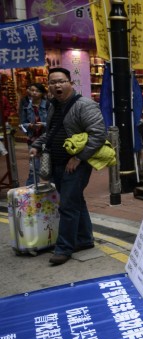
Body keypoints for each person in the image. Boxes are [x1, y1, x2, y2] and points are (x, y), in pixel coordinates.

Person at [30, 67, 107, 266]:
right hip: (58, 163)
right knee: (75, 201)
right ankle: (84, 239)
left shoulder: (84, 105)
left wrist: (79, 157)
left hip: (76, 165)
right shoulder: (54, 105)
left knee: (68, 206)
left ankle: (64, 248)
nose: (57, 85)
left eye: (61, 81)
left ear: (70, 83)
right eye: (53, 82)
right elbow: (52, 132)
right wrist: (37, 145)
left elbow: (98, 134)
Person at [20, 83, 50, 184]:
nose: (34, 93)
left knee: (49, 167)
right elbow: (22, 123)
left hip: (47, 139)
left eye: (37, 91)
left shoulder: (48, 105)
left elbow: (54, 122)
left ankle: (54, 191)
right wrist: (29, 125)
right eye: (32, 90)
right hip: (32, 140)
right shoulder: (25, 106)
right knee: (34, 168)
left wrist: (44, 124)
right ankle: (31, 191)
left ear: (42, 93)